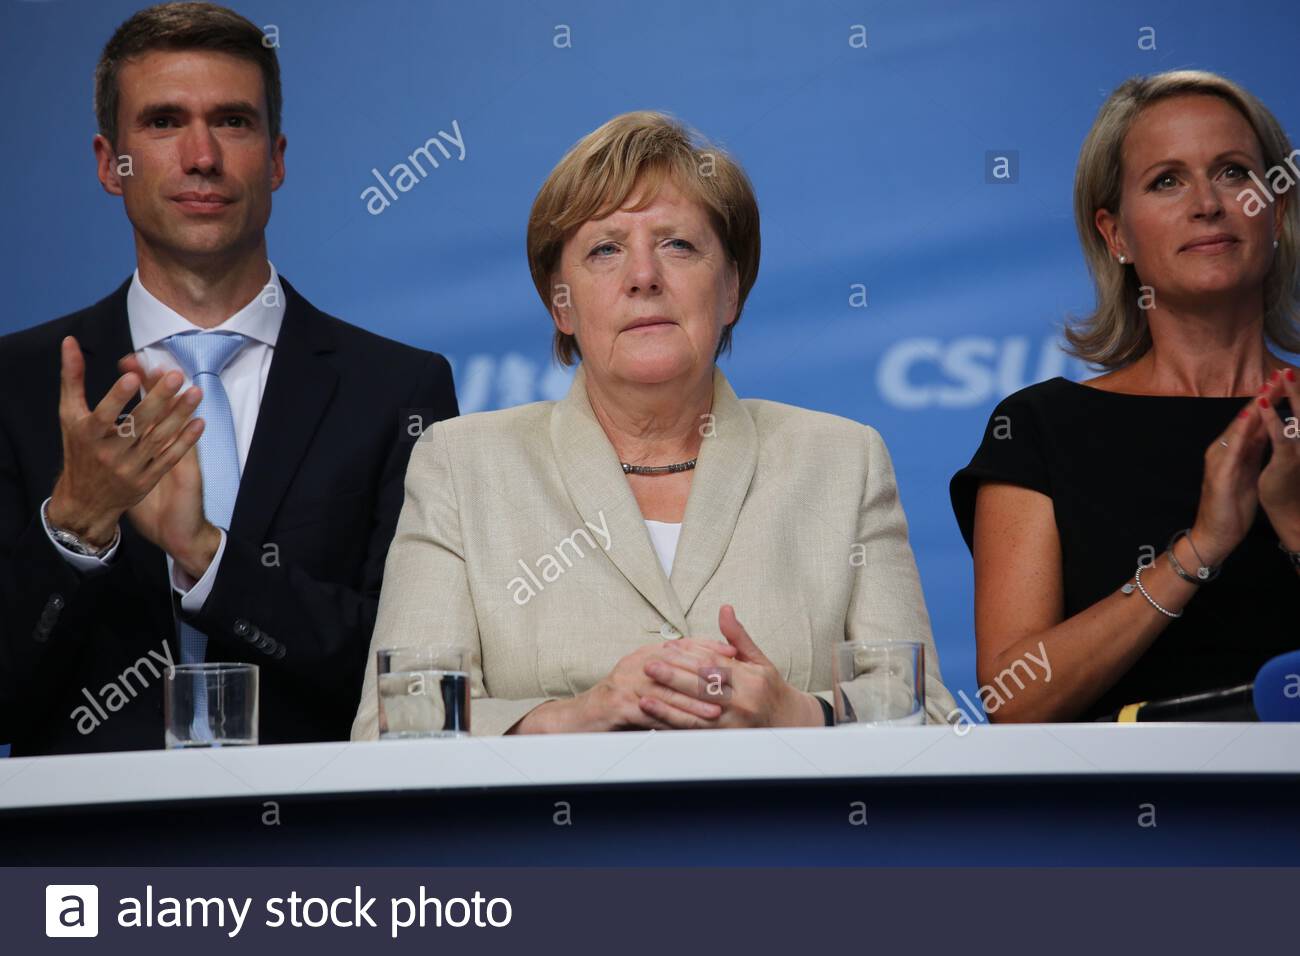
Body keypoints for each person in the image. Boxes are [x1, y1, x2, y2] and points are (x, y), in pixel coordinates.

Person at [351, 111, 955, 739]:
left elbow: (929, 713)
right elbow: (395, 721)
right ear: (561, 304)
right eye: (605, 250)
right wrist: (579, 715)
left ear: (730, 292)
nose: (643, 277)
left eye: (678, 245)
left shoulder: (842, 460)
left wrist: (799, 713)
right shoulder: (461, 465)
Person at [0, 2, 458, 755]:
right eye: (163, 122)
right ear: (108, 163)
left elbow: (406, 681)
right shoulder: (17, 386)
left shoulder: (400, 391)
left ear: (275, 158)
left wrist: (207, 556)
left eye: (233, 122)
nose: (202, 155)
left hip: (323, 854)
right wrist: (74, 523)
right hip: (88, 854)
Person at [951, 70, 1300, 723]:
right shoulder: (1039, 429)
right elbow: (1011, 698)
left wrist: (1293, 519)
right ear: (1116, 236)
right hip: (1117, 814)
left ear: (1276, 209)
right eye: (1166, 180)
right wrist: (1200, 548)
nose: (1207, 203)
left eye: (1232, 172)